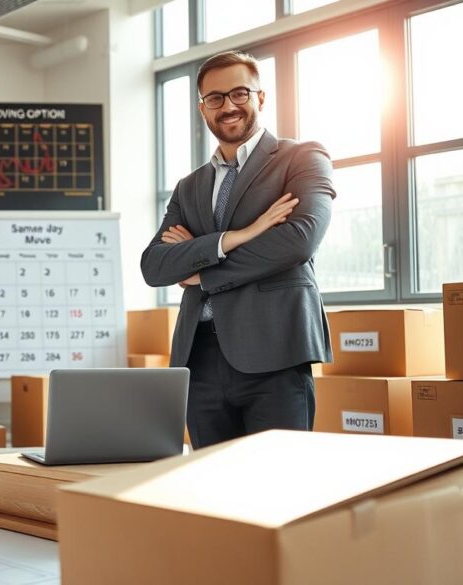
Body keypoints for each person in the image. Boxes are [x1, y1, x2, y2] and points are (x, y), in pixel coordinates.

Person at [141, 50, 335, 449]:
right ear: (202, 108)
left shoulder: (302, 159)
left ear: (260, 98)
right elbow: (155, 266)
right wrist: (238, 236)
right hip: (199, 360)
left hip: (275, 353)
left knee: (277, 493)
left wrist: (201, 270)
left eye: (239, 94)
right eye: (215, 98)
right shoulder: (189, 187)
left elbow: (296, 241)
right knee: (214, 495)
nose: (228, 106)